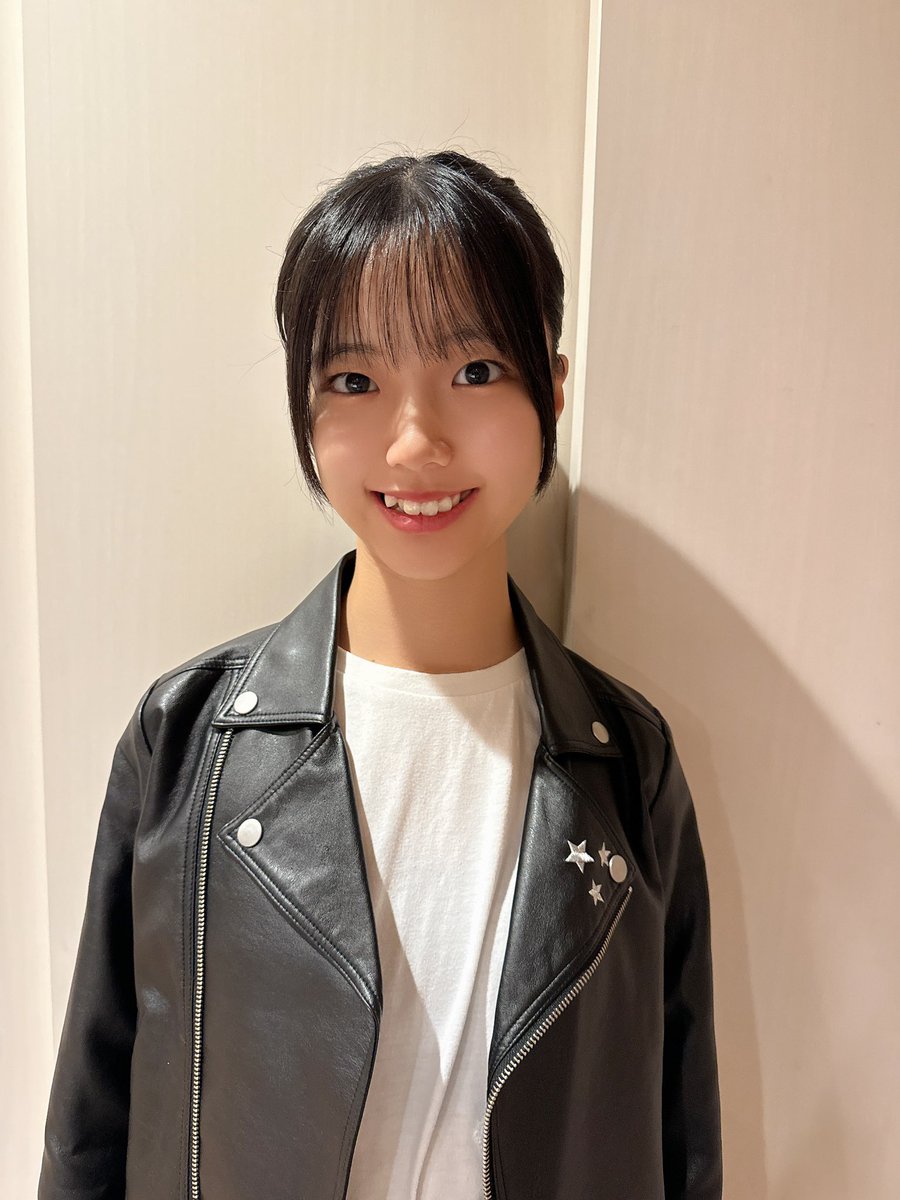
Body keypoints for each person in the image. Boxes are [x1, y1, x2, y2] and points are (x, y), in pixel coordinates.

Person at [39, 149, 722, 1200]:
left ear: (552, 389)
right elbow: (91, 1128)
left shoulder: (629, 764)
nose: (415, 442)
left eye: (475, 371)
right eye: (354, 382)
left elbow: (679, 1138)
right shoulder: (186, 742)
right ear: (303, 409)